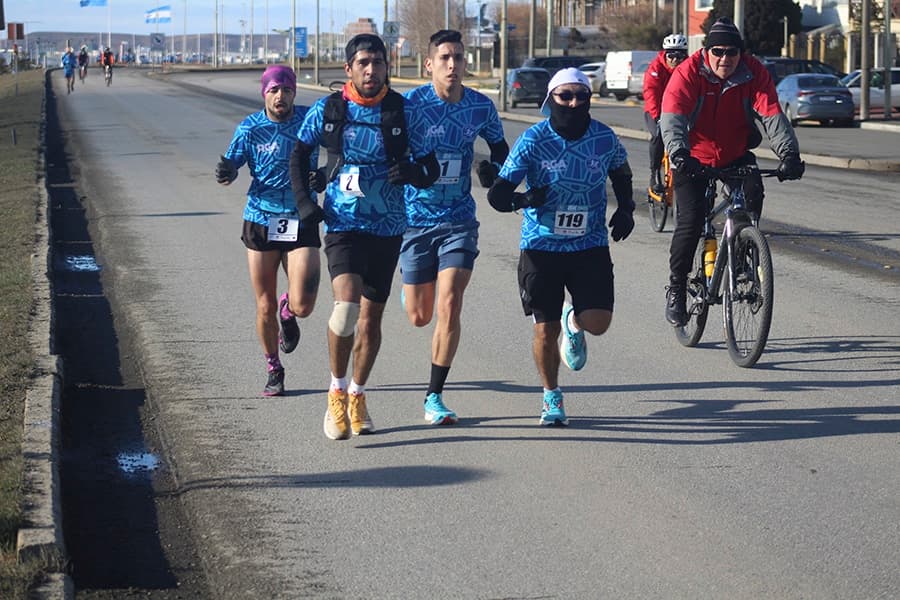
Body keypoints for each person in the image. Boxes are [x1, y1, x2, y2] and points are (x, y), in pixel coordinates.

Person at [289, 34, 439, 440]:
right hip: (343, 224)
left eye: (377, 62)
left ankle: (358, 393)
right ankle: (336, 391)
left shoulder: (403, 112)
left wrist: (413, 175)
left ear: (387, 66)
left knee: (371, 320)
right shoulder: (329, 109)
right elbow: (299, 155)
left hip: (389, 228)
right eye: (363, 63)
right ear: (348, 69)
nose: (371, 70)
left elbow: (431, 167)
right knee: (346, 308)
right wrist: (305, 202)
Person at [487, 68, 635, 426]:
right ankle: (552, 396)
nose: (572, 102)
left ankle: (576, 320)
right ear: (550, 99)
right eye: (564, 96)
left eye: (580, 96)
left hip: (590, 244)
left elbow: (622, 171)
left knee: (598, 323)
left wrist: (627, 208)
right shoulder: (533, 140)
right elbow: (498, 194)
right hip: (542, 245)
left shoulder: (604, 137)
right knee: (543, 328)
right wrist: (524, 199)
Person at [660, 17, 805, 327]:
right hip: (692, 157)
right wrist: (679, 153)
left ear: (742, 53)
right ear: (707, 51)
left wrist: (790, 154)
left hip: (734, 153)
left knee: (753, 193)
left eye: (732, 52)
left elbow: (771, 114)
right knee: (690, 223)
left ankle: (743, 256)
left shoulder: (754, 72)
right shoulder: (688, 73)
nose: (725, 58)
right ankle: (676, 288)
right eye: (718, 51)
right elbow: (672, 116)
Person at [400, 29, 509, 425]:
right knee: (419, 315)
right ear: (428, 63)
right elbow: (391, 153)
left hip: (459, 219)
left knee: (450, 303)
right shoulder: (409, 106)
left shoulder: (480, 107)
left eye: (459, 57)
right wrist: (412, 170)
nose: (452, 64)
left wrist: (491, 170)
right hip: (414, 221)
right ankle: (412, 291)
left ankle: (434, 396)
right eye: (444, 57)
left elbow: (500, 148)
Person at [215, 65, 322, 397]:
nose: (281, 96)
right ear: (265, 93)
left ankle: (288, 312)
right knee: (263, 305)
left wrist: (325, 175)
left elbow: (340, 136)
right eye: (274, 90)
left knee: (304, 303)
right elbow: (232, 164)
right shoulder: (250, 128)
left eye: (287, 90)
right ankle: (274, 368)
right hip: (260, 219)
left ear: (294, 93)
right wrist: (226, 171)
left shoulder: (310, 119)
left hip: (300, 215)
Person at [643, 33, 689, 194]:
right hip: (658, 110)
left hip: (680, 110)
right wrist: (657, 117)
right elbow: (651, 93)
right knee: (658, 134)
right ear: (664, 54)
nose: (675, 60)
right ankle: (654, 173)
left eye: (680, 56)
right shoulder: (656, 68)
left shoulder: (690, 68)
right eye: (671, 56)